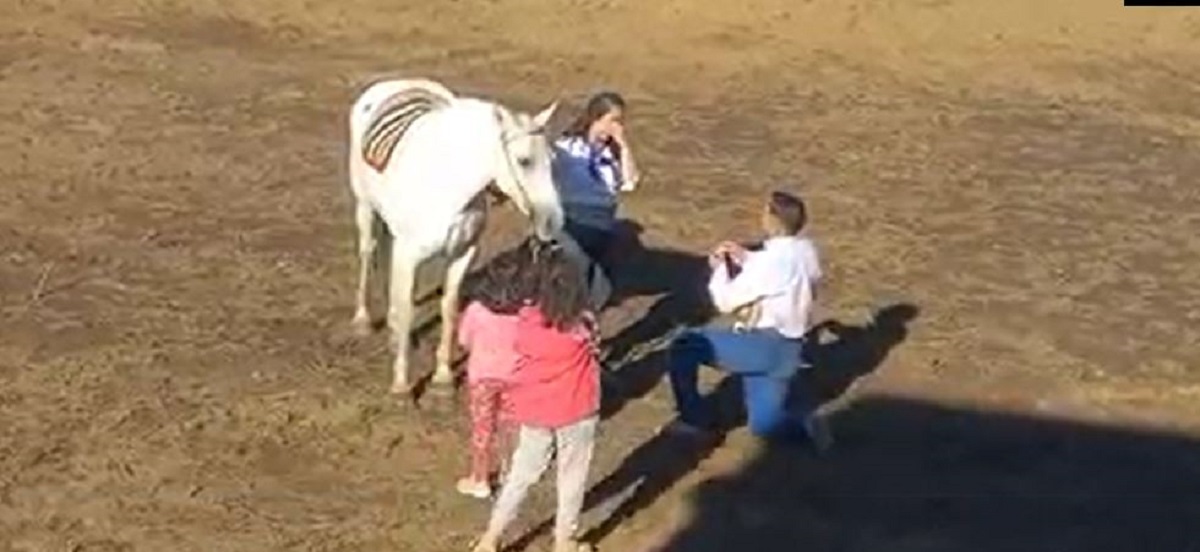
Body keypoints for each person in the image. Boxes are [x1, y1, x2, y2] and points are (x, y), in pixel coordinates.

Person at [663, 190, 832, 452]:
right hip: (790, 350)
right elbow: (785, 274)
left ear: (772, 220)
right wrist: (747, 257)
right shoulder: (806, 250)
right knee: (764, 425)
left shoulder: (770, 263)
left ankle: (695, 420)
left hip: (762, 345)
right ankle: (806, 428)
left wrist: (719, 268)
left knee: (685, 346)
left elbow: (725, 301)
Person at [472, 241, 602, 552]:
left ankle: (490, 538)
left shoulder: (526, 321)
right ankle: (564, 541)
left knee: (521, 475)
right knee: (571, 477)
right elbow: (595, 347)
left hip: (534, 411)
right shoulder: (583, 325)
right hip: (577, 409)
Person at [454, 248, 534, 499]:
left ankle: (479, 478)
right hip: (516, 377)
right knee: (511, 426)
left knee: (482, 426)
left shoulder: (477, 310)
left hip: (482, 377)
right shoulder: (527, 313)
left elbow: (464, 340)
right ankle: (509, 474)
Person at [552, 90, 641, 277]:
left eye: (620, 122)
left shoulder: (614, 153)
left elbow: (630, 182)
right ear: (596, 118)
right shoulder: (567, 147)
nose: (617, 127)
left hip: (603, 224)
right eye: (613, 120)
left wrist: (624, 146)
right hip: (574, 222)